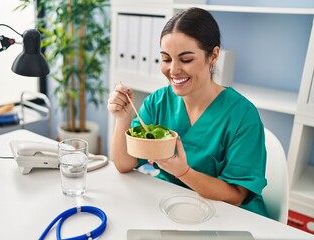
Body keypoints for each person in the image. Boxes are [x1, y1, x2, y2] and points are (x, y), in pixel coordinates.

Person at [107, 7, 268, 217]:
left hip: (230, 217)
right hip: (174, 208)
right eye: (166, 59)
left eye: (186, 59)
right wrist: (123, 119)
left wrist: (183, 172)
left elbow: (236, 195)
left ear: (213, 56)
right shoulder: (158, 101)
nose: (173, 70)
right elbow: (124, 164)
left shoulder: (243, 116)